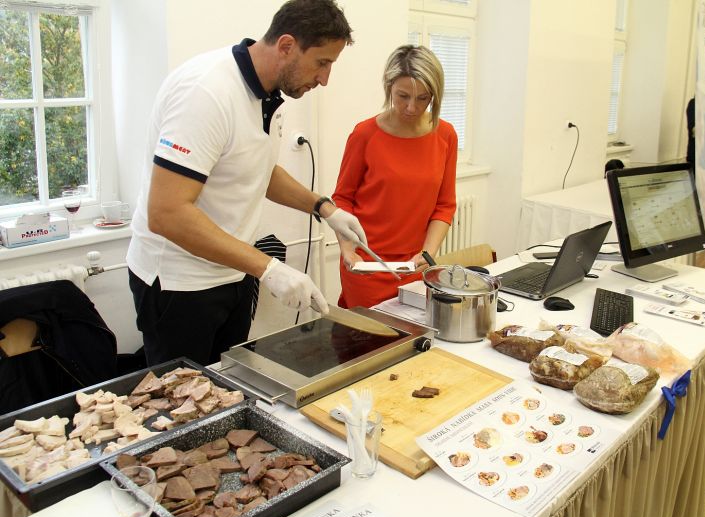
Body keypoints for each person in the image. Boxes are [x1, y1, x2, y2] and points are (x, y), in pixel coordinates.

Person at [126, 0, 368, 366]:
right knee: (182, 397)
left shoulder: (269, 95)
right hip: (179, 283)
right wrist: (269, 268)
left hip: (233, 272)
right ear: (286, 46)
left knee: (229, 385)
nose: (325, 79)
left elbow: (259, 170)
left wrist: (325, 209)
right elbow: (166, 213)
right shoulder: (206, 93)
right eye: (322, 62)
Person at [332, 45, 457, 309]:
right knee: (369, 334)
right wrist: (347, 248)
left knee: (415, 334)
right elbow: (342, 199)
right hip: (367, 265)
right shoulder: (365, 135)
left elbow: (445, 205)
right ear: (389, 87)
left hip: (415, 266)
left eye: (423, 98)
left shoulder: (445, 135)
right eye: (403, 96)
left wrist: (428, 252)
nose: (412, 107)